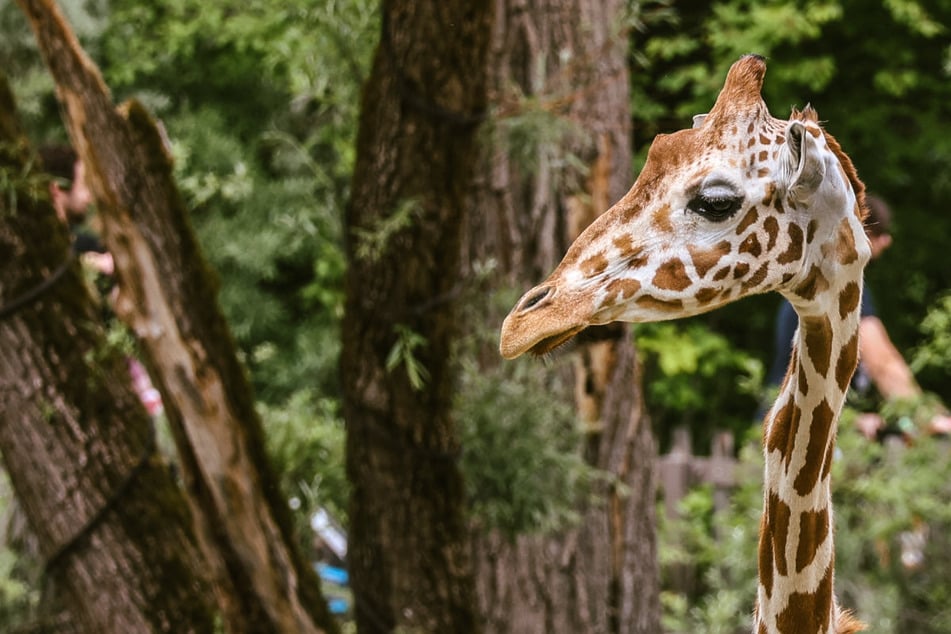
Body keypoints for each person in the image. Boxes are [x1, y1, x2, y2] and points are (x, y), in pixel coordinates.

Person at [766, 195, 951, 439]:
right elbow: (882, 363)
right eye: (881, 232)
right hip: (801, 436)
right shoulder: (840, 285)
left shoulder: (811, 283)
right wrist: (927, 416)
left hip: (785, 427)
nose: (887, 241)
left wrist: (854, 419)